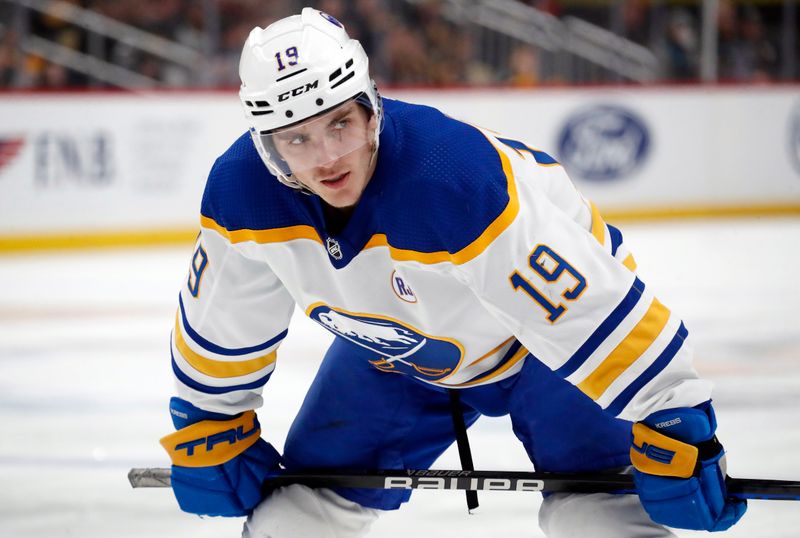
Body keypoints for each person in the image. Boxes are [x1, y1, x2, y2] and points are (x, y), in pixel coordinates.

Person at [158, 8, 747, 537]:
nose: (327, 156)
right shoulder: (243, 194)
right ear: (268, 146)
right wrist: (208, 416)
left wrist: (672, 411)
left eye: (341, 123)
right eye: (297, 138)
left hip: (539, 350)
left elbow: (585, 306)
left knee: (595, 515)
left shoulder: (453, 177)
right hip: (405, 354)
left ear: (371, 106)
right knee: (298, 514)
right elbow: (224, 317)